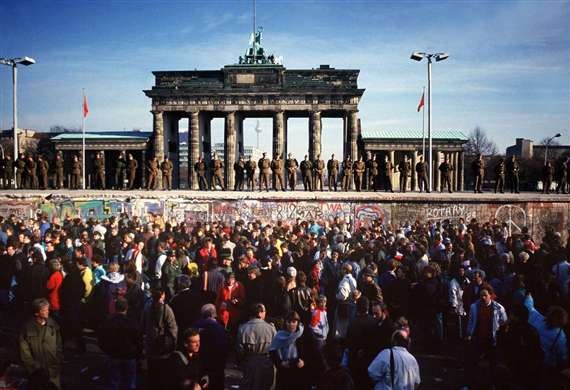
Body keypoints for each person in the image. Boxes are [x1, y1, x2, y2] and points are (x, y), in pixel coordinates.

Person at [97, 298, 143, 390]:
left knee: (114, 382)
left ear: (115, 307)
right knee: (129, 382)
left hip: (114, 355)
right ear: (126, 308)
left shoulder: (108, 322)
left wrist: (107, 351)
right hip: (129, 356)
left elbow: (101, 340)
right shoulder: (132, 323)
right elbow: (138, 340)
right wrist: (137, 353)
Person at [466, 286, 508, 385]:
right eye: (481, 295)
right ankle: (475, 382)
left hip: (492, 339)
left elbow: (504, 322)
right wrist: (468, 333)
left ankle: (492, 382)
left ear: (491, 296)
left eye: (485, 295)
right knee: (475, 361)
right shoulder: (474, 307)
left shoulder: (499, 308)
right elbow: (471, 321)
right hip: (478, 338)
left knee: (492, 362)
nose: (483, 297)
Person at [19, 298, 63, 389]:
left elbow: (59, 344)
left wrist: (58, 360)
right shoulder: (27, 328)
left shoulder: (53, 325)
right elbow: (24, 351)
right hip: (36, 371)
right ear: (36, 313)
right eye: (44, 310)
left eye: (48, 309)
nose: (48, 312)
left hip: (53, 370)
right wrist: (33, 366)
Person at [143, 288, 178, 389]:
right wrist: (173, 344)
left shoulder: (147, 307)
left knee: (152, 374)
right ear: (162, 295)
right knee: (163, 374)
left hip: (151, 345)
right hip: (163, 347)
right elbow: (173, 328)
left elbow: (143, 324)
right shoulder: (166, 309)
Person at [236, 303, 276, 390]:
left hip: (249, 362)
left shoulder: (243, 328)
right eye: (265, 311)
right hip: (266, 362)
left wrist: (242, 362)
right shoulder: (271, 328)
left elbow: (239, 350)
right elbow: (275, 348)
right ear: (260, 313)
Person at [268, 311, 309, 390]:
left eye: (294, 322)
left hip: (298, 370)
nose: (291, 324)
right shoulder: (279, 336)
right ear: (285, 322)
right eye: (289, 322)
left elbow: (309, 353)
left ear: (297, 322)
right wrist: (281, 363)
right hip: (284, 370)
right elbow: (272, 352)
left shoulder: (302, 335)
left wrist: (304, 361)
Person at [193, 304, 228, 390]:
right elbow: (225, 348)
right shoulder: (220, 329)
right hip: (217, 366)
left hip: (200, 364)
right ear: (214, 314)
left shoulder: (195, 327)